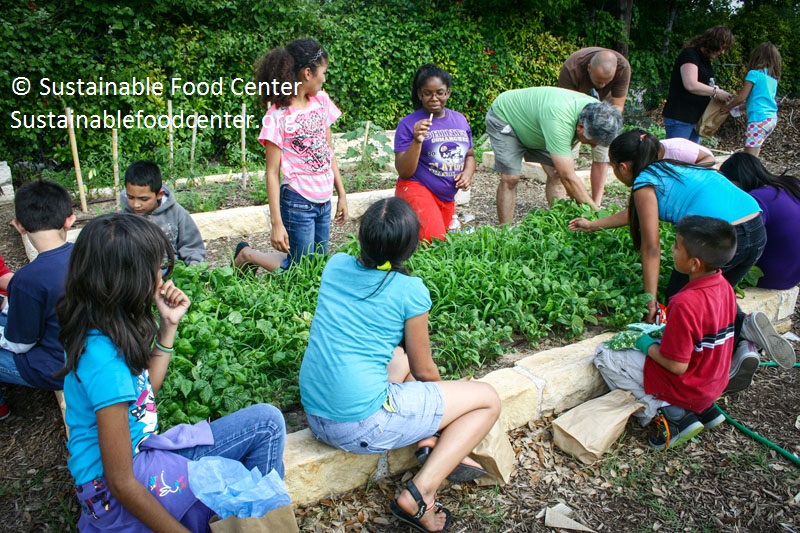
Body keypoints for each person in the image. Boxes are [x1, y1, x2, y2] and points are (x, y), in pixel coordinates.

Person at [58, 213, 286, 531]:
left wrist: (168, 327)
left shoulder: (102, 331)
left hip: (134, 463)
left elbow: (144, 391)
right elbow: (121, 482)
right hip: (118, 487)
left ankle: (244, 518)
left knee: (265, 423)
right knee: (267, 424)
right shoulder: (105, 363)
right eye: (156, 268)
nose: (161, 277)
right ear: (128, 279)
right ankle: (257, 524)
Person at [299, 197, 500, 532]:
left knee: (397, 357)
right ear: (411, 246)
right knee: (487, 399)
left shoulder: (335, 265)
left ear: (361, 238)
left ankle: (427, 440)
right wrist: (454, 399)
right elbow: (424, 372)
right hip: (359, 423)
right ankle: (420, 495)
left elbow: (402, 358)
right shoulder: (410, 290)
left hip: (316, 411)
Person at [568, 130, 794, 372]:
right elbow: (638, 213)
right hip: (756, 228)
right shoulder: (672, 168)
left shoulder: (645, 183)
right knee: (718, 293)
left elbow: (651, 247)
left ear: (622, 167)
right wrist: (593, 225)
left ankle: (689, 360)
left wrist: (651, 300)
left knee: (681, 296)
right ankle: (742, 342)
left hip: (725, 236)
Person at [594, 216, 737, 450]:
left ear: (694, 264)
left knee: (604, 354)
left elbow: (676, 365)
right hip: (712, 382)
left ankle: (670, 415)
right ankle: (703, 409)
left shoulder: (684, 302)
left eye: (677, 246)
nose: (672, 249)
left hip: (687, 383)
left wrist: (644, 343)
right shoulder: (724, 287)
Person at [235, 38, 348, 273]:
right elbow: (272, 172)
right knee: (299, 269)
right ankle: (247, 255)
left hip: (323, 199)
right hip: (297, 201)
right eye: (323, 72)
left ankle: (248, 256)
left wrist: (342, 193)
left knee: (315, 264)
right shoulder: (277, 116)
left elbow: (328, 151)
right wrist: (276, 222)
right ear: (308, 73)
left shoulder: (322, 102)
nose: (324, 79)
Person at [486, 87, 623, 223]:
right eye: (591, 142)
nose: (593, 146)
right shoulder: (560, 122)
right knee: (511, 177)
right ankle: (505, 234)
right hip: (506, 117)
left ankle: (558, 224)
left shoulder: (599, 113)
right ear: (580, 128)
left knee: (556, 174)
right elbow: (568, 177)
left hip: (539, 124)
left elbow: (563, 175)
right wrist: (596, 216)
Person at [0, 179, 74, 421]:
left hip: (56, 367)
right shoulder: (87, 255)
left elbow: (20, 344)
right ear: (69, 220)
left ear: (19, 226)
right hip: (90, 355)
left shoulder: (27, 280)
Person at [394, 64, 476, 242]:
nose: (434, 98)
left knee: (448, 244)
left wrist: (467, 174)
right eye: (427, 93)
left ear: (448, 93)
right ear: (420, 95)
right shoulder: (408, 124)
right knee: (433, 240)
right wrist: (417, 140)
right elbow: (404, 171)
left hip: (446, 196)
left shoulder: (460, 120)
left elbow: (469, 155)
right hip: (417, 187)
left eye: (439, 92)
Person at [558, 47, 632, 205]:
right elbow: (563, 103)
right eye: (599, 81)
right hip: (575, 113)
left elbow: (618, 106)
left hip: (604, 113)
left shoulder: (623, 68)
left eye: (607, 82)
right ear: (589, 68)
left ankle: (596, 203)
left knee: (602, 155)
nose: (603, 85)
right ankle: (566, 200)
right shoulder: (572, 68)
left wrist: (604, 125)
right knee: (565, 155)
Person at [719, 152, 800, 290]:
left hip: (772, 276)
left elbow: (743, 240)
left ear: (737, 181)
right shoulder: (789, 184)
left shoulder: (756, 200)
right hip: (793, 275)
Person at [121, 160, 207, 266]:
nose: (136, 204)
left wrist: (194, 270)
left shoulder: (177, 214)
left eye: (143, 199)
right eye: (130, 197)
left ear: (159, 194)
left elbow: (193, 248)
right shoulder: (122, 219)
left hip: (173, 275)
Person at [662, 26, 734, 143]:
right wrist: (716, 92)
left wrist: (715, 90)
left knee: (691, 158)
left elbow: (702, 84)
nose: (722, 52)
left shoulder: (705, 60)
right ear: (713, 42)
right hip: (681, 116)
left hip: (695, 118)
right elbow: (690, 84)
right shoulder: (690, 55)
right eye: (722, 48)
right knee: (676, 157)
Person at [722, 42, 781, 157]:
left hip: (758, 119)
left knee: (749, 158)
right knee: (754, 155)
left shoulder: (754, 74)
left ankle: (750, 174)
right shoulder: (772, 80)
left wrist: (727, 108)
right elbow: (758, 101)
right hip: (770, 119)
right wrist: (740, 109)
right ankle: (754, 173)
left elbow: (741, 97)